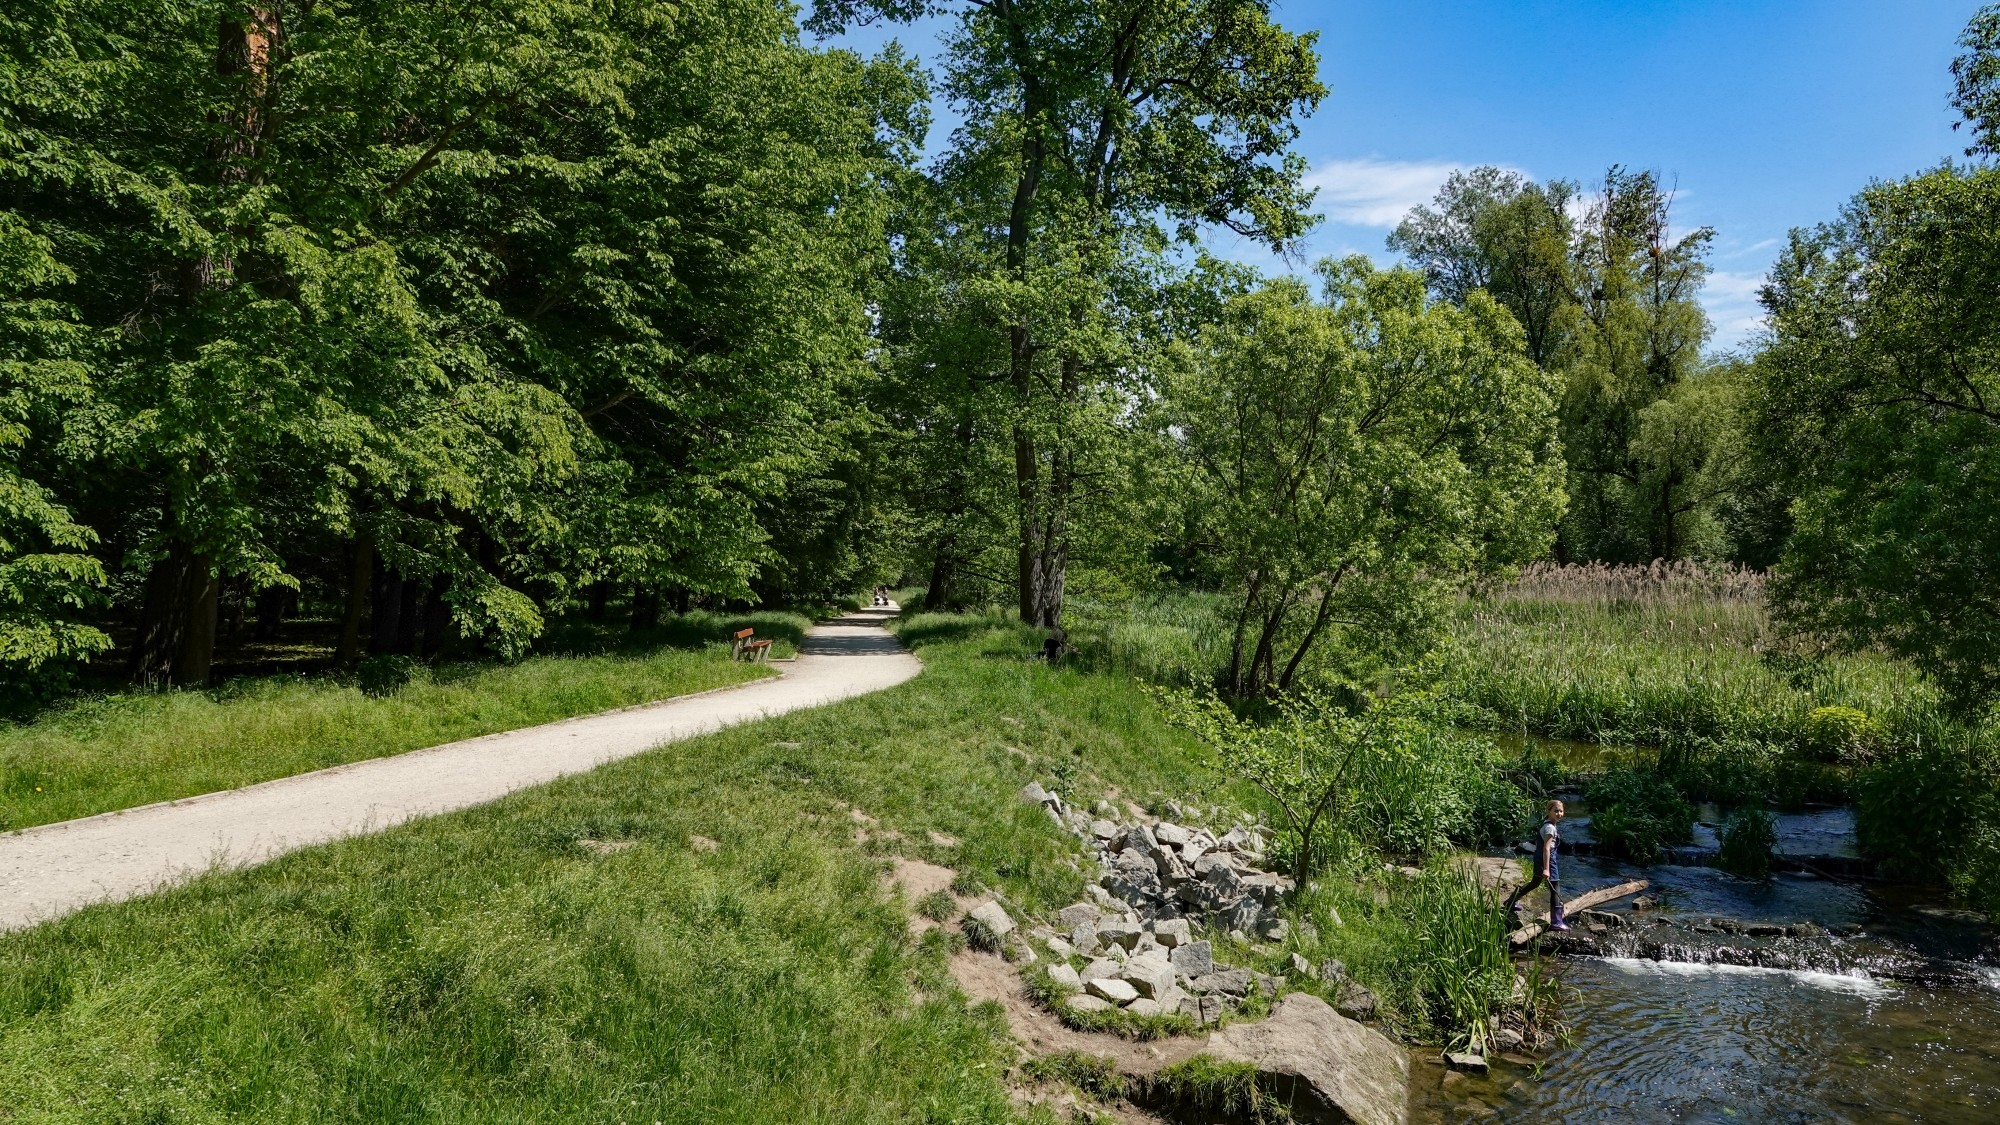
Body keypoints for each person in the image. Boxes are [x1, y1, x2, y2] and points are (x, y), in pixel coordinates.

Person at [1505, 799, 1569, 931]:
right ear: (1548, 811)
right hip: (1547, 860)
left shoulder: (1548, 824)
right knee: (1555, 888)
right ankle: (1556, 921)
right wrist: (1546, 869)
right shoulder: (1550, 828)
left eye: (1561, 811)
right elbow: (1546, 848)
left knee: (1535, 882)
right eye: (1555, 811)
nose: (1559, 813)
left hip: (1540, 858)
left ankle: (1510, 902)